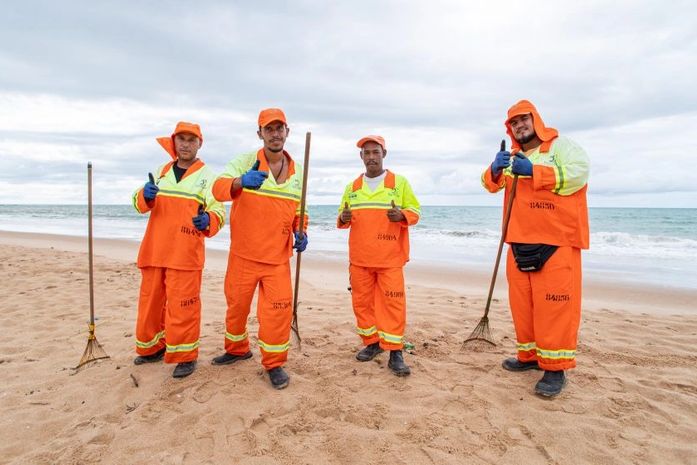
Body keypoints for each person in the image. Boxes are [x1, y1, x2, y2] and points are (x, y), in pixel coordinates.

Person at [481, 100, 590, 397]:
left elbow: (580, 173)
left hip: (557, 241)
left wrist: (534, 173)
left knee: (555, 307)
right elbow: (490, 185)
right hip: (518, 240)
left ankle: (555, 369)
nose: (519, 126)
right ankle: (528, 357)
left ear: (536, 120)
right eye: (513, 123)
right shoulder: (513, 156)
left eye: (523, 119)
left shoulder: (560, 147)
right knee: (524, 306)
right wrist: (493, 168)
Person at [210, 108, 308, 390]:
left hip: (278, 257)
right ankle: (237, 349)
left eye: (280, 129)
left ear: (287, 132)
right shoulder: (244, 161)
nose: (275, 134)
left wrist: (300, 231)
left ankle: (274, 363)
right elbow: (217, 189)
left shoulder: (298, 172)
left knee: (278, 311)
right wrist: (241, 182)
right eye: (269, 129)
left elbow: (300, 211)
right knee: (237, 307)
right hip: (244, 254)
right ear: (260, 134)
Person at [131, 121, 225, 378]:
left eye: (191, 139)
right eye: (181, 139)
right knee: (150, 303)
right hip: (154, 249)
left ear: (199, 144)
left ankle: (185, 356)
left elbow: (219, 211)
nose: (185, 144)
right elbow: (138, 205)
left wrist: (208, 221)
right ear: (174, 142)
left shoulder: (209, 177)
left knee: (184, 305)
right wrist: (145, 195)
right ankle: (151, 348)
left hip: (185, 254)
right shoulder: (160, 171)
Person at [337, 135, 421, 376]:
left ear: (384, 154)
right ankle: (372, 344)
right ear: (361, 157)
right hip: (360, 260)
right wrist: (343, 218)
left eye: (376, 152)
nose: (371, 156)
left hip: (390, 260)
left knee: (393, 304)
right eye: (367, 153)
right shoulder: (352, 187)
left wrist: (402, 215)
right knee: (362, 304)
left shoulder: (400, 183)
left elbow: (415, 211)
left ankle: (395, 352)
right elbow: (343, 217)